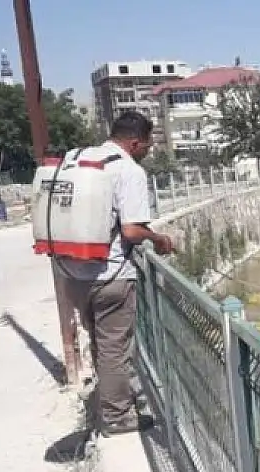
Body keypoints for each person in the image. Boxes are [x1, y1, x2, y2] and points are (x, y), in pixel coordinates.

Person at [57, 110, 175, 436]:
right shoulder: (128, 170)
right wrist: (159, 239)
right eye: (148, 146)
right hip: (110, 276)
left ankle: (107, 404)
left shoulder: (79, 159)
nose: (148, 152)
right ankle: (118, 418)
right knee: (115, 349)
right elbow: (133, 231)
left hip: (72, 274)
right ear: (135, 143)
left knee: (98, 341)